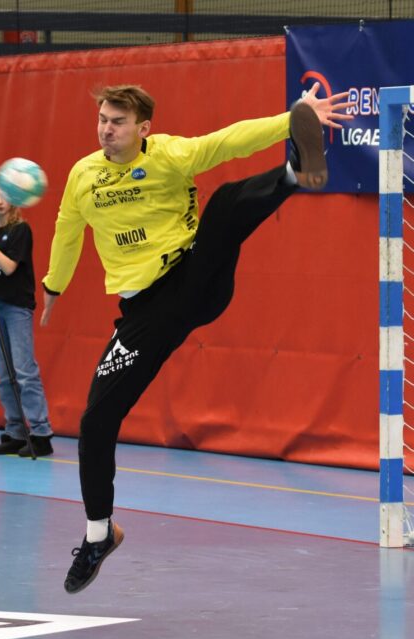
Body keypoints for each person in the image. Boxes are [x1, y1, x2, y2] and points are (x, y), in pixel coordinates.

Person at [40, 83, 352, 594]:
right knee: (95, 421)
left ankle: (295, 173)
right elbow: (67, 230)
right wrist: (54, 285)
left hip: (193, 279)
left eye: (118, 122)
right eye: (102, 120)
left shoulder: (170, 155)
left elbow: (229, 141)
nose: (106, 130)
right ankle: (99, 535)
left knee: (225, 203)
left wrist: (293, 119)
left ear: (143, 128)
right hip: (145, 314)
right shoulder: (83, 176)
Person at [0, 183, 54, 457]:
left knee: (24, 370)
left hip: (16, 307)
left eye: (4, 197)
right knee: (4, 374)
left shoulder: (20, 230)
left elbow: (8, 267)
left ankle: (41, 433)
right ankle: (15, 431)